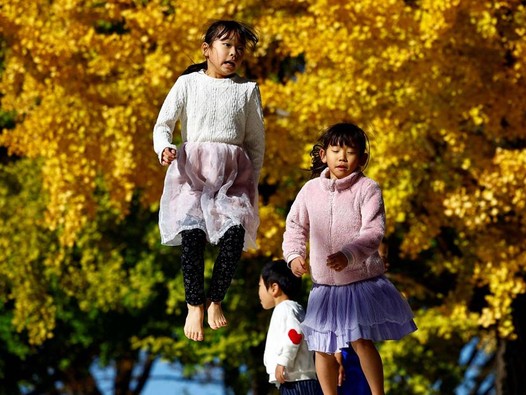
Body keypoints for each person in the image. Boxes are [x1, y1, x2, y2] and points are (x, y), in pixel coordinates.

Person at [282, 122, 417, 394]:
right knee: (320, 346)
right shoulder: (310, 191)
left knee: (361, 341)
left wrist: (349, 255)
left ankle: (378, 393)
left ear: (363, 158)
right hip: (324, 287)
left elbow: (373, 232)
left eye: (351, 152)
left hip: (358, 281)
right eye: (335, 150)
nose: (342, 157)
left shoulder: (368, 189)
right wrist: (294, 255)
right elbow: (295, 226)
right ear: (324, 155)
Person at [153, 20, 265, 341]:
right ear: (207, 50)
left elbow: (256, 143)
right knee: (192, 237)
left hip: (233, 179)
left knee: (234, 236)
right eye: (227, 45)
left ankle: (215, 300)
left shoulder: (247, 91)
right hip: (192, 175)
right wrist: (164, 148)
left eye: (239, 48)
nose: (234, 53)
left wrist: (251, 185)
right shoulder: (187, 84)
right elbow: (164, 124)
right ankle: (194, 305)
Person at [258, 260, 323, 394]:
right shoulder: (295, 308)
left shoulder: (284, 308)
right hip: (299, 379)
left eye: (260, 286)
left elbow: (295, 334)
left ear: (274, 288)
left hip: (296, 381)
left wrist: (283, 361)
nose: (258, 292)